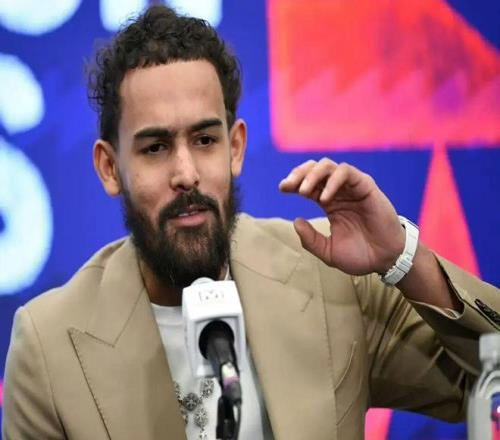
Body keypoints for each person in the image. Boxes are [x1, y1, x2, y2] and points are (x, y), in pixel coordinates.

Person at [2, 5, 499, 440]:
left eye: (205, 140)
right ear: (110, 168)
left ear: (236, 147)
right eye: (155, 148)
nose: (186, 173)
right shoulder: (48, 346)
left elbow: (484, 381)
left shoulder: (331, 279)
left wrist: (402, 259)